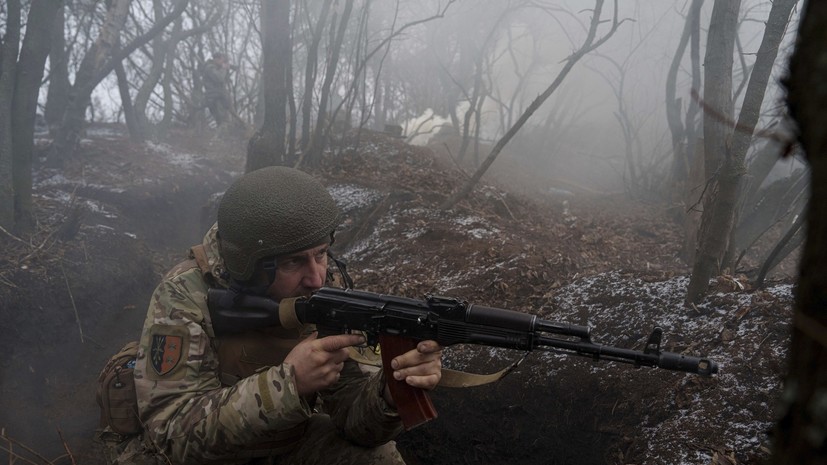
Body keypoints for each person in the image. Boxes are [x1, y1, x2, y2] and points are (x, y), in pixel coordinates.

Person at [131, 166, 443, 464]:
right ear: (249, 265)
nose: (316, 279)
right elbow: (171, 436)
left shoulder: (320, 290)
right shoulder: (185, 295)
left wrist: (389, 392)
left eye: (320, 254)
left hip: (281, 445)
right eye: (293, 262)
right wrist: (286, 385)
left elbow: (357, 424)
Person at [202, 53, 233, 127]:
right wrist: (224, 68)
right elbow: (219, 78)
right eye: (222, 60)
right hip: (214, 98)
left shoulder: (216, 68)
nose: (223, 62)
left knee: (224, 120)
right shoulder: (210, 68)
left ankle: (222, 136)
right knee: (222, 121)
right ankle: (219, 138)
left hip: (219, 97)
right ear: (216, 59)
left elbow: (224, 81)